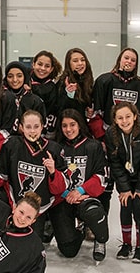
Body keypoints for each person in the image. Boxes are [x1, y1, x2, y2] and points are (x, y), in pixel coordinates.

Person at [0, 110, 67, 237]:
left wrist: (53, 172)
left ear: (43, 126)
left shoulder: (54, 149)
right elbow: (1, 174)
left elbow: (60, 189)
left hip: (38, 208)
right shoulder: (12, 145)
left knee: (32, 242)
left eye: (36, 127)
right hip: (15, 201)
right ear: (21, 127)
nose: (32, 131)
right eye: (28, 127)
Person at [90, 47, 140, 218]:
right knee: (105, 186)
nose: (129, 62)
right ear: (120, 59)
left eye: (133, 60)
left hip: (131, 142)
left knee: (131, 185)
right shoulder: (104, 80)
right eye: (126, 58)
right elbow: (95, 113)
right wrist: (102, 138)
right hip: (108, 139)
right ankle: (98, 225)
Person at [48, 108, 108, 262]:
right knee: (68, 250)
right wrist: (64, 193)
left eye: (72, 125)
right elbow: (51, 176)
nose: (68, 129)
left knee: (94, 212)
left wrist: (81, 190)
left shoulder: (93, 146)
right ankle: (79, 231)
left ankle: (100, 240)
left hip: (85, 196)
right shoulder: (55, 148)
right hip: (63, 199)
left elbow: (101, 176)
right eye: (64, 126)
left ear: (80, 124)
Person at [105, 102, 140, 263]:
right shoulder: (111, 133)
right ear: (115, 120)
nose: (124, 121)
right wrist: (124, 188)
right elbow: (114, 162)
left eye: (128, 116)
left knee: (138, 204)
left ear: (135, 116)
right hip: (126, 176)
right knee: (125, 203)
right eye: (120, 118)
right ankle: (127, 244)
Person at [3, 61, 45, 134]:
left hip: (28, 141)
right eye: (10, 76)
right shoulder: (1, 98)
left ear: (25, 77)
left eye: (19, 76)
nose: (15, 80)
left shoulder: (35, 101)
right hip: (3, 141)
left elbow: (42, 126)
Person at [30, 50, 62, 139]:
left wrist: (48, 132)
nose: (42, 68)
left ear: (51, 69)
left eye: (47, 66)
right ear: (33, 64)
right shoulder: (24, 81)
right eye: (39, 64)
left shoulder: (53, 88)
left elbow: (52, 111)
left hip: (43, 133)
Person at [57, 48, 94, 121]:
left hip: (83, 125)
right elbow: (60, 109)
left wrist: (89, 110)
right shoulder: (63, 81)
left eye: (83, 60)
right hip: (69, 126)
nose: (80, 63)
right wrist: (69, 95)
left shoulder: (87, 80)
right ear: (69, 64)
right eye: (75, 61)